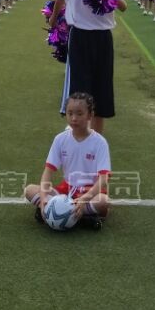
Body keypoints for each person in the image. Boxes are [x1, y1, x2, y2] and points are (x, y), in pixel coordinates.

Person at [47, 0, 127, 134]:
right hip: (79, 37)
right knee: (80, 89)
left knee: (102, 89)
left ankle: (97, 138)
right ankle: (79, 136)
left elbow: (123, 6)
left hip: (103, 37)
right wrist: (54, 17)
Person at [24, 92, 111, 231]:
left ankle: (63, 214)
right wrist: (44, 198)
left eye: (79, 114)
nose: (74, 118)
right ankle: (82, 218)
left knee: (103, 201)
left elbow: (104, 179)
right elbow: (48, 171)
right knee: (29, 190)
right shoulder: (60, 139)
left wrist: (84, 198)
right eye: (70, 113)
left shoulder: (99, 142)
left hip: (90, 192)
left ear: (90, 115)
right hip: (67, 189)